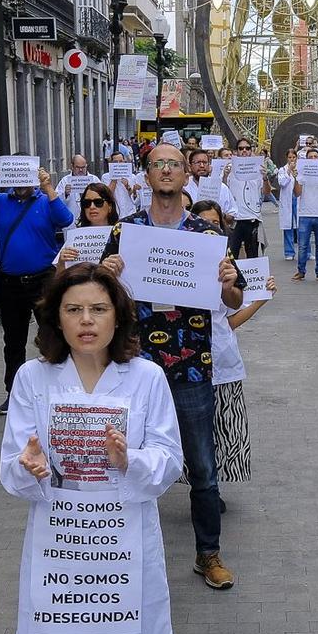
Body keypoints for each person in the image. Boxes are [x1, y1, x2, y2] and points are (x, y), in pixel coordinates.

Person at [1, 264, 184, 634]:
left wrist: (130, 460)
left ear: (118, 316)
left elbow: (170, 459)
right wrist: (29, 467)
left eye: (99, 309)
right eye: (74, 309)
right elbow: (13, 464)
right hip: (62, 539)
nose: (86, 321)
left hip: (124, 538)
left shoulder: (146, 378)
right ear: (56, 316)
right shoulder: (34, 379)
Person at [98, 142, 246, 590]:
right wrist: (105, 270)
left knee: (202, 466)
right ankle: (120, 554)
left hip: (193, 367)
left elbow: (235, 300)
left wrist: (226, 285)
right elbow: (101, 296)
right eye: (157, 164)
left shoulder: (207, 235)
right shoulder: (126, 231)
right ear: (146, 176)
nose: (166, 171)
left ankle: (208, 554)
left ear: (187, 176)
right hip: (133, 367)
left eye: (174, 165)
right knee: (123, 462)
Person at [0, 166, 75, 413]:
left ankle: (58, 390)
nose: (20, 182)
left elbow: (65, 219)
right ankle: (14, 393)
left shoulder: (44, 201)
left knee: (52, 335)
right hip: (11, 281)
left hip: (43, 279)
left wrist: (49, 188)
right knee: (13, 341)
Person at [190, 199, 272, 488]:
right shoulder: (177, 268)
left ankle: (212, 488)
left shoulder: (227, 266)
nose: (209, 229)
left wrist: (259, 299)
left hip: (221, 361)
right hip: (185, 364)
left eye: (215, 224)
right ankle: (199, 485)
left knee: (221, 429)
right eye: (203, 223)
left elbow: (230, 320)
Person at [291, 142, 318, 280]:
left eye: (315, 156)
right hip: (305, 213)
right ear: (307, 160)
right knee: (302, 246)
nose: (313, 158)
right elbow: (297, 193)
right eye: (311, 156)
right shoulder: (302, 173)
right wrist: (296, 178)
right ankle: (301, 271)